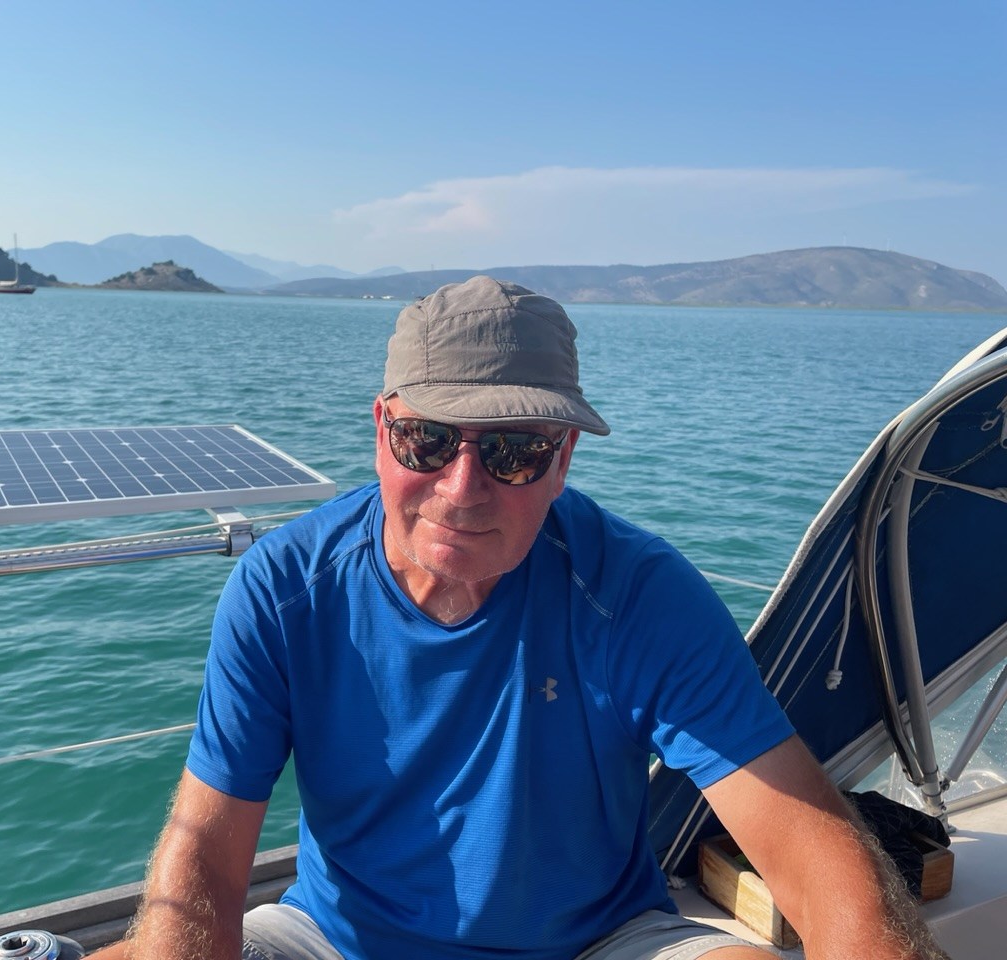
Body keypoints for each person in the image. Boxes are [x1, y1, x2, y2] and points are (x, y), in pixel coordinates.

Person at [101, 276, 946, 960]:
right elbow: (206, 855)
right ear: (382, 430)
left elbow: (812, 854)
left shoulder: (640, 596)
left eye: (513, 451)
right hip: (332, 938)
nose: (462, 489)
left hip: (599, 942)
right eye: (428, 440)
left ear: (563, 458)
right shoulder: (286, 591)